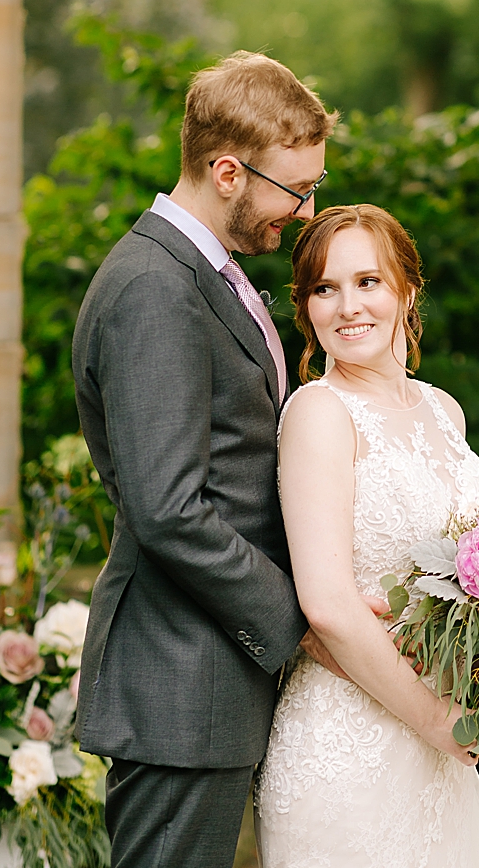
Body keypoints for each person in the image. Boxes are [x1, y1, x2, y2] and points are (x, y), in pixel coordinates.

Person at [72, 52, 340, 868]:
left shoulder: (210, 275)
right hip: (180, 684)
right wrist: (299, 620)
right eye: (295, 190)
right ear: (228, 171)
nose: (304, 212)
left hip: (209, 674)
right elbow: (167, 509)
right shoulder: (156, 288)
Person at [255, 203, 479, 866]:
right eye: (325, 288)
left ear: (407, 289)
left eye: (368, 282)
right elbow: (327, 605)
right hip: (351, 747)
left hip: (443, 749)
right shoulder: (319, 413)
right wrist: (436, 720)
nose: (348, 307)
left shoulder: (442, 409)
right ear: (306, 307)